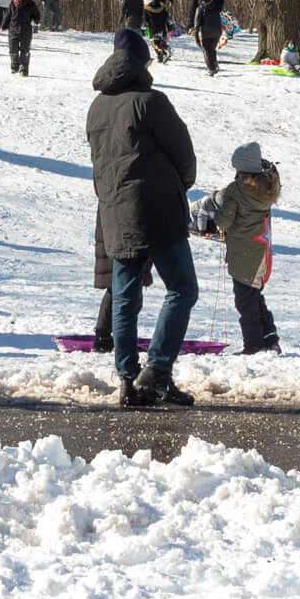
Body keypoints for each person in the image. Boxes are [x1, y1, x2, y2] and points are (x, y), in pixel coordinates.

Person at [88, 28, 199, 408]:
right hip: (158, 211)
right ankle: (159, 370)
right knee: (183, 288)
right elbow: (184, 154)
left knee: (125, 298)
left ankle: (127, 379)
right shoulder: (151, 102)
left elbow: (98, 168)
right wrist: (178, 186)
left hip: (115, 211)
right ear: (139, 62)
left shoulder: (96, 108)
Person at [213, 142, 282, 355]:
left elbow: (224, 222)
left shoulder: (236, 191)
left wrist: (217, 209)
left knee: (245, 302)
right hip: (261, 251)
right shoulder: (266, 188)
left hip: (243, 254)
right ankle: (270, 339)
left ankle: (253, 345)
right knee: (255, 296)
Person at [193, 0, 226, 76]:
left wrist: (196, 36)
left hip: (206, 33)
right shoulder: (215, 6)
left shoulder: (200, 8)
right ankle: (214, 65)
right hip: (217, 32)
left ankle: (211, 68)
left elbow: (197, 23)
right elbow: (221, 3)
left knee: (207, 50)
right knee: (212, 49)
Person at [8, 0, 42, 75]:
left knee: (25, 50)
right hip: (14, 29)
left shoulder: (31, 4)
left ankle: (24, 68)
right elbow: (8, 15)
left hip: (26, 29)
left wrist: (36, 20)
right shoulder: (13, 3)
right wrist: (3, 25)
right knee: (13, 49)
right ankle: (15, 65)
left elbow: (36, 14)